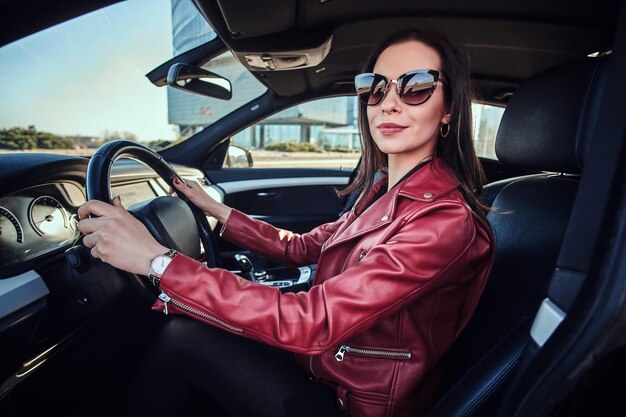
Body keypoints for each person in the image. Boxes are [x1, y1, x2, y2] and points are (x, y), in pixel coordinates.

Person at [77, 28, 494, 417]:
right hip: (324, 367)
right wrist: (214, 208)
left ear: (449, 110)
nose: (388, 102)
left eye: (416, 85)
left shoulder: (444, 220)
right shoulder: (382, 190)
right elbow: (303, 248)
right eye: (375, 87)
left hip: (353, 403)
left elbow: (313, 321)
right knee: (187, 327)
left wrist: (155, 260)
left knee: (181, 341)